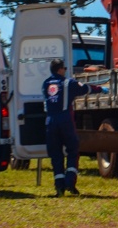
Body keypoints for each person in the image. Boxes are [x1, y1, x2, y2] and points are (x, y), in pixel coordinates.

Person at [43, 58, 107, 197]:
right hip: (65, 120)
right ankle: (70, 182)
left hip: (50, 121)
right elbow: (85, 88)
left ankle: (59, 188)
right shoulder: (68, 83)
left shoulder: (46, 84)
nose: (65, 71)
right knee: (73, 150)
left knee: (56, 155)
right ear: (60, 69)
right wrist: (101, 89)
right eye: (64, 68)